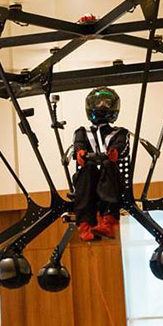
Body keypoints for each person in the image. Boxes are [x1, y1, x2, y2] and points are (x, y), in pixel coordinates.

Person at [72, 86, 130, 241]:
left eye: (106, 103)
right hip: (88, 180)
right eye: (99, 103)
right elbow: (78, 145)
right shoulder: (82, 132)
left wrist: (114, 152)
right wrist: (80, 153)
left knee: (107, 164)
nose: (102, 106)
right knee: (89, 167)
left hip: (112, 179)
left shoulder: (120, 132)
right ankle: (85, 225)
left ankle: (109, 221)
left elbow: (122, 147)